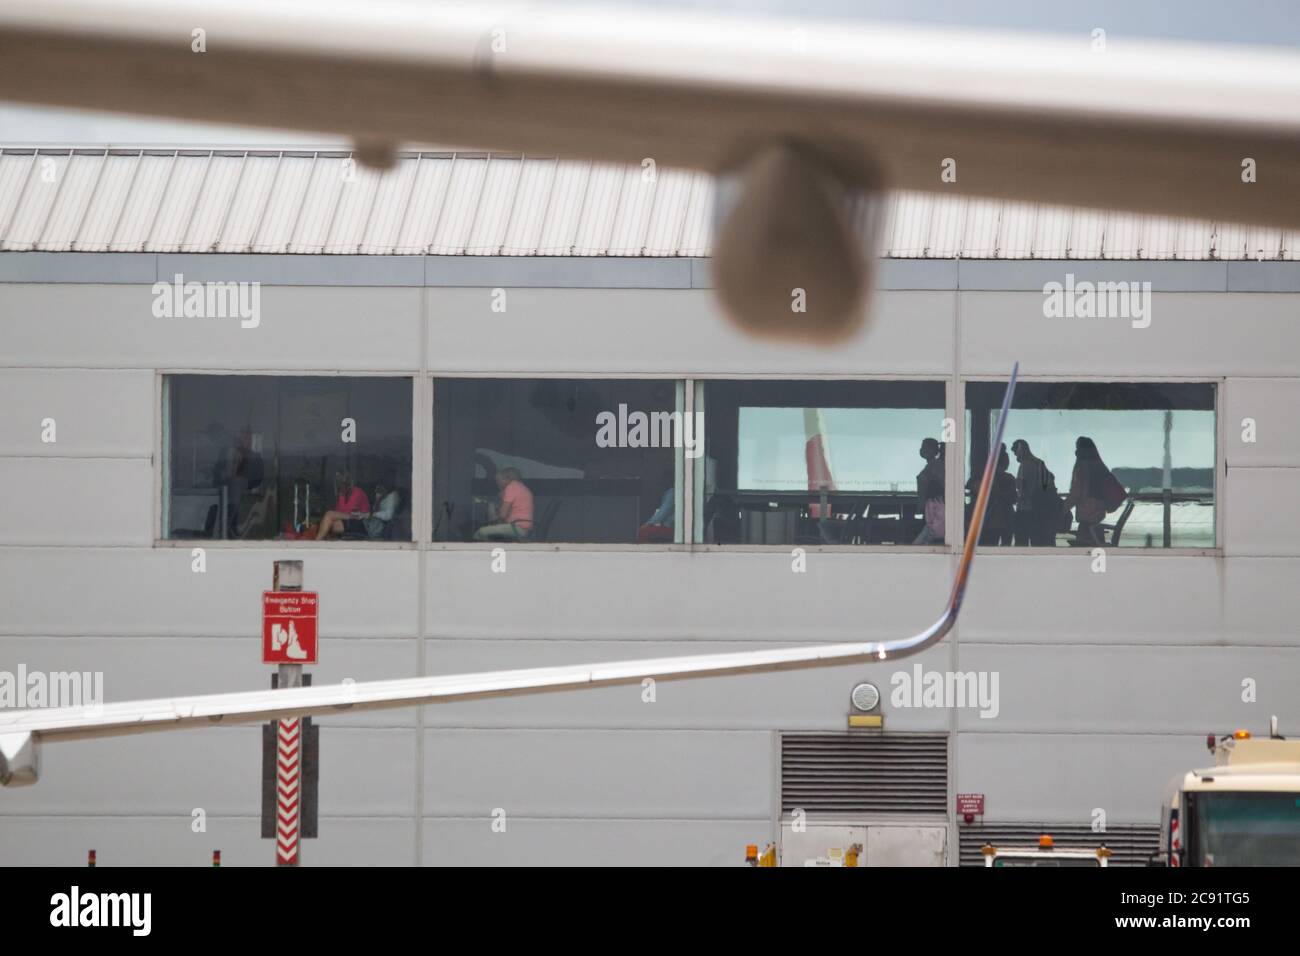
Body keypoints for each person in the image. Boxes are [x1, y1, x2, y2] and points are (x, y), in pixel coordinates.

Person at [1063, 436, 1110, 547]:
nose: (1076, 452)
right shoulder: (1099, 466)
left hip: (1087, 521)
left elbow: (1076, 493)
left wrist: (1062, 509)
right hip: (1097, 521)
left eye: (1078, 448)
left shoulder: (1083, 467)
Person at [1010, 439, 1059, 546]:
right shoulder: (1039, 463)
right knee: (1038, 541)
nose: (1015, 456)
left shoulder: (1025, 465)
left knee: (1021, 542)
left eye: (1015, 452)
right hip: (1041, 510)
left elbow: (1024, 491)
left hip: (1026, 510)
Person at [473, 467, 535, 541]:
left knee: (480, 532)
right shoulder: (521, 487)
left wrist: (493, 511)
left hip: (517, 528)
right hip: (523, 528)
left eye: (498, 480)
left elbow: (502, 515)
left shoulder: (511, 487)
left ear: (506, 479)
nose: (497, 483)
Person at [976, 443, 1016, 545]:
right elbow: (1013, 497)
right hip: (1007, 516)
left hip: (993, 516)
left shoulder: (988, 478)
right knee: (1006, 545)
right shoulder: (1010, 478)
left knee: (991, 544)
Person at [316, 471, 371, 540]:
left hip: (359, 522)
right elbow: (338, 511)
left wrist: (335, 515)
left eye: (344, 484)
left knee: (329, 514)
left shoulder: (358, 492)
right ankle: (319, 543)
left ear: (349, 484)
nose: (341, 486)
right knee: (330, 524)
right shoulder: (342, 495)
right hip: (348, 521)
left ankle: (316, 542)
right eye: (340, 484)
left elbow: (349, 511)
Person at [912, 438, 945, 545]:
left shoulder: (936, 466)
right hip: (929, 510)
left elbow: (943, 485)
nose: (922, 450)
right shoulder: (931, 466)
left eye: (925, 447)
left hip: (934, 511)